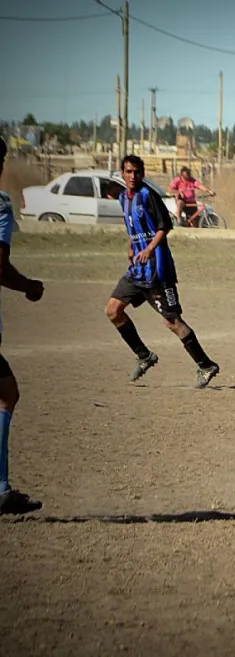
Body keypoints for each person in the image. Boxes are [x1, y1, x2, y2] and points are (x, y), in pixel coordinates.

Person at [106, 155, 221, 388]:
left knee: (172, 322)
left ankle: (206, 365)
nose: (133, 176)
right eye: (128, 172)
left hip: (158, 270)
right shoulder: (123, 199)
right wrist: (131, 246)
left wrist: (149, 249)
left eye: (137, 172)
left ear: (143, 173)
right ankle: (144, 355)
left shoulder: (149, 196)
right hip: (137, 270)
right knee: (113, 310)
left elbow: (165, 226)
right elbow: (132, 227)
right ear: (122, 173)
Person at [0, 137, 45, 515]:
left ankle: (1, 488)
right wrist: (28, 286)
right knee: (6, 394)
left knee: (6, 391)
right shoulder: (0, 206)